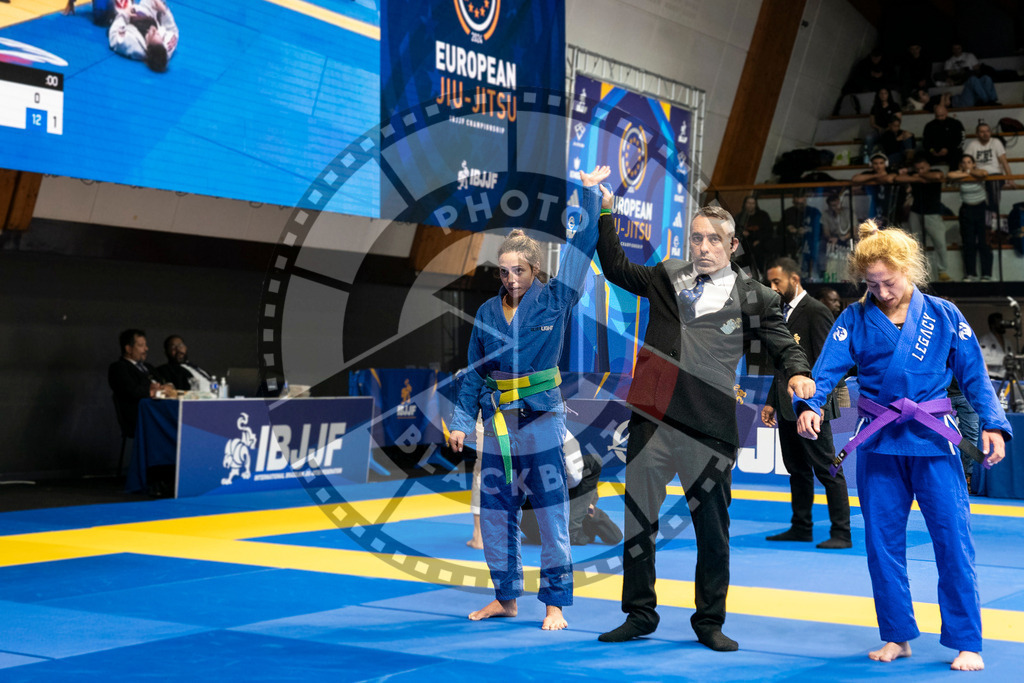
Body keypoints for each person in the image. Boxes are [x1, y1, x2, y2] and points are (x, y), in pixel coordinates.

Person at [595, 203, 815, 651]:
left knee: (712, 532)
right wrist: (604, 212)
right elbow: (617, 268)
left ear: (732, 245)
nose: (704, 247)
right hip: (652, 419)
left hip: (710, 427)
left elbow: (784, 346)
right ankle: (639, 614)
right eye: (697, 238)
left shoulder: (758, 297)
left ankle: (709, 621)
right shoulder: (666, 275)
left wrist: (798, 373)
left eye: (715, 239)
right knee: (638, 523)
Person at [796, 220, 1010, 672]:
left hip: (933, 440)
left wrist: (993, 423)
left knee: (953, 543)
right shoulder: (854, 318)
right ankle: (897, 635)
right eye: (871, 284)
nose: (882, 292)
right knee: (882, 546)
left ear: (909, 269)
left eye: (888, 282)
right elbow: (826, 370)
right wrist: (811, 405)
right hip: (880, 443)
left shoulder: (944, 315)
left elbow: (974, 375)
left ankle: (966, 641)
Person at [447, 164, 610, 631]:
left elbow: (581, 250)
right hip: (498, 423)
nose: (510, 278)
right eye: (503, 271)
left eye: (518, 270)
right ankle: (505, 598)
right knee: (496, 515)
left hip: (541, 420)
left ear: (534, 269)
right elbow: (475, 374)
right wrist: (461, 422)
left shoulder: (556, 298)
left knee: (552, 511)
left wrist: (589, 195)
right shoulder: (485, 312)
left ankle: (555, 605)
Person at [762, 259, 851, 549]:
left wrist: (817, 405)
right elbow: (783, 366)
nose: (772, 287)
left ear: (795, 279)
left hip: (813, 408)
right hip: (787, 406)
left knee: (828, 469)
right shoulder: (780, 313)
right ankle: (801, 527)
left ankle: (841, 532)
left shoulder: (816, 311)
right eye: (770, 282)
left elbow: (830, 363)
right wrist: (771, 402)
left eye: (777, 282)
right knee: (797, 469)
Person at [108, 329, 175, 438]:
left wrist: (168, 387)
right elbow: (131, 391)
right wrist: (151, 391)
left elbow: (163, 382)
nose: (146, 349)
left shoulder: (148, 367)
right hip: (140, 418)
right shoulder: (119, 368)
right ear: (128, 349)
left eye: (145, 345)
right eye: (141, 345)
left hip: (159, 414)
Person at [895, 156, 950, 281]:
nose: (920, 171)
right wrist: (919, 178)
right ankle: (917, 273)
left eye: (923, 168)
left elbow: (937, 176)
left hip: (933, 212)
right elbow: (898, 178)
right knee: (915, 243)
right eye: (918, 169)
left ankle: (942, 271)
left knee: (939, 242)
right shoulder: (914, 175)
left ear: (928, 166)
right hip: (916, 211)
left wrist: (919, 176)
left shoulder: (936, 171)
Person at [963, 122, 1016, 232]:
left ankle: (993, 215)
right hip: (979, 175)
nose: (985, 134)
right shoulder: (973, 144)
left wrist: (1010, 178)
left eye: (987, 131)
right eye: (982, 132)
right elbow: (965, 162)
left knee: (993, 186)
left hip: (995, 174)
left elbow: (1004, 162)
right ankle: (988, 218)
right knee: (979, 198)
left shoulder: (995, 142)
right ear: (977, 134)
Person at [947, 154, 992, 281]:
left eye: (969, 162)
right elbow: (950, 175)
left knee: (984, 242)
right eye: (964, 162)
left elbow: (983, 173)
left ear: (974, 164)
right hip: (966, 209)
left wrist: (968, 172)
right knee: (968, 242)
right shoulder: (960, 173)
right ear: (960, 164)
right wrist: (967, 173)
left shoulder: (977, 172)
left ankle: (986, 274)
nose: (966, 164)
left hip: (981, 208)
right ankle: (970, 273)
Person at [108, 0, 179, 72]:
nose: (154, 29)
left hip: (124, 15)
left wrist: (124, 14)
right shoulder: (167, 47)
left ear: (147, 45)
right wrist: (164, 11)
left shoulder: (132, 45)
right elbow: (173, 31)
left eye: (152, 33)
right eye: (157, 34)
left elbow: (114, 35)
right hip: (147, 12)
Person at [735, 195, 775, 277]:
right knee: (742, 251)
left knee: (760, 251)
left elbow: (768, 231)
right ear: (745, 204)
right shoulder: (740, 217)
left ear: (756, 204)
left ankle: (761, 273)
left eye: (752, 203)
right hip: (745, 242)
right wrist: (742, 232)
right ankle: (746, 274)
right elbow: (735, 230)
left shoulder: (763, 215)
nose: (750, 205)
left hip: (761, 242)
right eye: (748, 203)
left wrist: (759, 240)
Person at [852, 154, 898, 223]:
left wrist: (874, 178)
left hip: (888, 204)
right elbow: (855, 179)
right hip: (872, 205)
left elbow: (889, 179)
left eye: (881, 163)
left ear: (886, 164)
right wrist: (876, 176)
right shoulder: (869, 173)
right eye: (875, 163)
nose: (878, 166)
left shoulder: (891, 171)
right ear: (871, 164)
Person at [863, 88, 900, 163]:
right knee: (869, 138)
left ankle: (889, 160)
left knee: (889, 137)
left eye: (885, 93)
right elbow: (872, 123)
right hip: (879, 130)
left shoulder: (894, 106)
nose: (883, 95)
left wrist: (888, 128)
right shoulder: (875, 107)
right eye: (881, 93)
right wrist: (879, 128)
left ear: (888, 95)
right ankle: (869, 160)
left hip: (891, 129)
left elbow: (898, 120)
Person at [922, 105, 965, 169]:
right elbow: (925, 142)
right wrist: (932, 150)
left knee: (957, 155)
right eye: (937, 116)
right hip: (934, 153)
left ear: (946, 113)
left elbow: (961, 140)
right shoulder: (929, 125)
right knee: (921, 156)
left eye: (942, 115)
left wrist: (948, 149)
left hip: (952, 152)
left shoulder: (956, 123)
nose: (940, 118)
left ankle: (953, 174)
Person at [978, 312, 1011, 379]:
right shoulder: (985, 340)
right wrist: (1002, 360)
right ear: (993, 325)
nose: (1002, 325)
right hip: (992, 377)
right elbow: (982, 358)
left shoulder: (1007, 342)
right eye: (1000, 323)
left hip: (1006, 377)